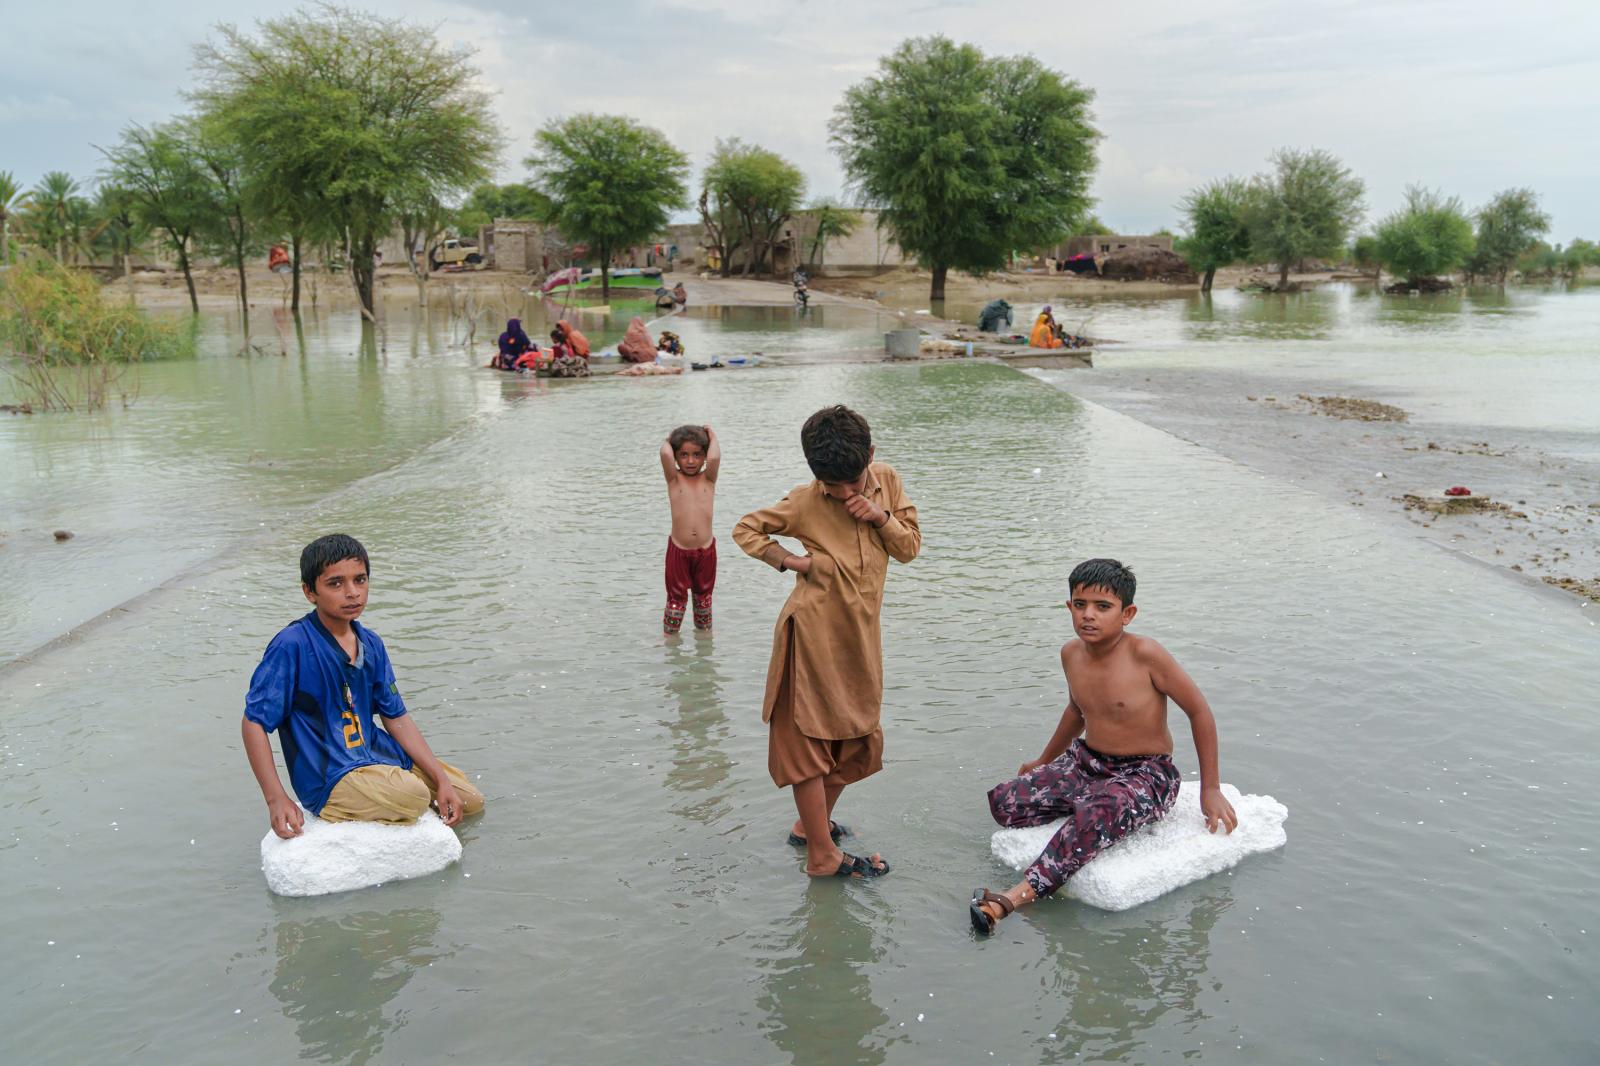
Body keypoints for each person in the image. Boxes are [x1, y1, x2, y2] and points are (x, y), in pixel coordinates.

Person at [969, 559, 1237, 935]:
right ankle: (1087, 806)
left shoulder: (1146, 654)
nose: (1088, 616)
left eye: (1102, 607)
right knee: (1006, 802)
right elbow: (1077, 711)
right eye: (1080, 605)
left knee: (1096, 814)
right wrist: (1044, 761)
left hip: (1147, 773)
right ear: (1069, 607)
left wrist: (1211, 788)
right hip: (1088, 764)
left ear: (1127, 613)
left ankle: (1013, 898)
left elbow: (1199, 711)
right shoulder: (1071, 654)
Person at [732, 406, 920, 879]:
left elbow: (910, 549)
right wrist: (794, 563)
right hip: (811, 636)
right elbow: (746, 529)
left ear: (871, 457)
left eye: (852, 482)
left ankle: (807, 828)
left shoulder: (887, 482)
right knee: (808, 744)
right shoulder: (804, 501)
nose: (843, 493)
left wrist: (880, 517)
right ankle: (821, 857)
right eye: (832, 486)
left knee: (856, 738)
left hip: (860, 637)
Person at [241, 534, 485, 839]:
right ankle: (354, 805)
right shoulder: (292, 645)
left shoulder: (371, 643)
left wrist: (441, 778)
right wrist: (276, 798)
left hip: (375, 755)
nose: (352, 593)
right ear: (309, 592)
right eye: (336, 584)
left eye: (360, 580)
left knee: (469, 800)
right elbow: (253, 722)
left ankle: (411, 789)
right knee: (414, 796)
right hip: (330, 775)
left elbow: (396, 718)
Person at [659, 425, 721, 633]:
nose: (691, 461)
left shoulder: (709, 479)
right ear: (676, 457)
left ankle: (704, 641)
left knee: (704, 597)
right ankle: (670, 638)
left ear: (704, 456)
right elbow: (665, 453)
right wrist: (670, 439)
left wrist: (712, 437)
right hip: (679, 550)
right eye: (683, 455)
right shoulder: (674, 479)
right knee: (676, 599)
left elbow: (714, 458)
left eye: (697, 455)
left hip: (706, 550)